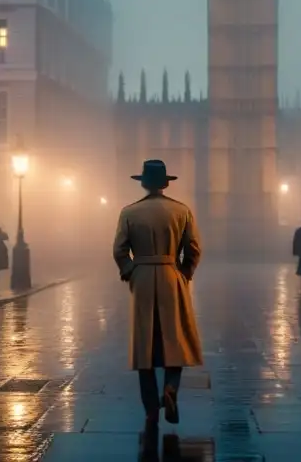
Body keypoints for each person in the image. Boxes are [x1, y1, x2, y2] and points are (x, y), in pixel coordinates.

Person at [113, 159, 203, 435]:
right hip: (170, 274)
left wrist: (130, 270)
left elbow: (119, 250)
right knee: (176, 338)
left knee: (145, 344)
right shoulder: (181, 211)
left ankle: (151, 410)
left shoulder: (129, 212)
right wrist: (184, 273)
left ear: (143, 183)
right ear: (165, 184)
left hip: (142, 276)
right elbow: (194, 249)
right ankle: (171, 388)